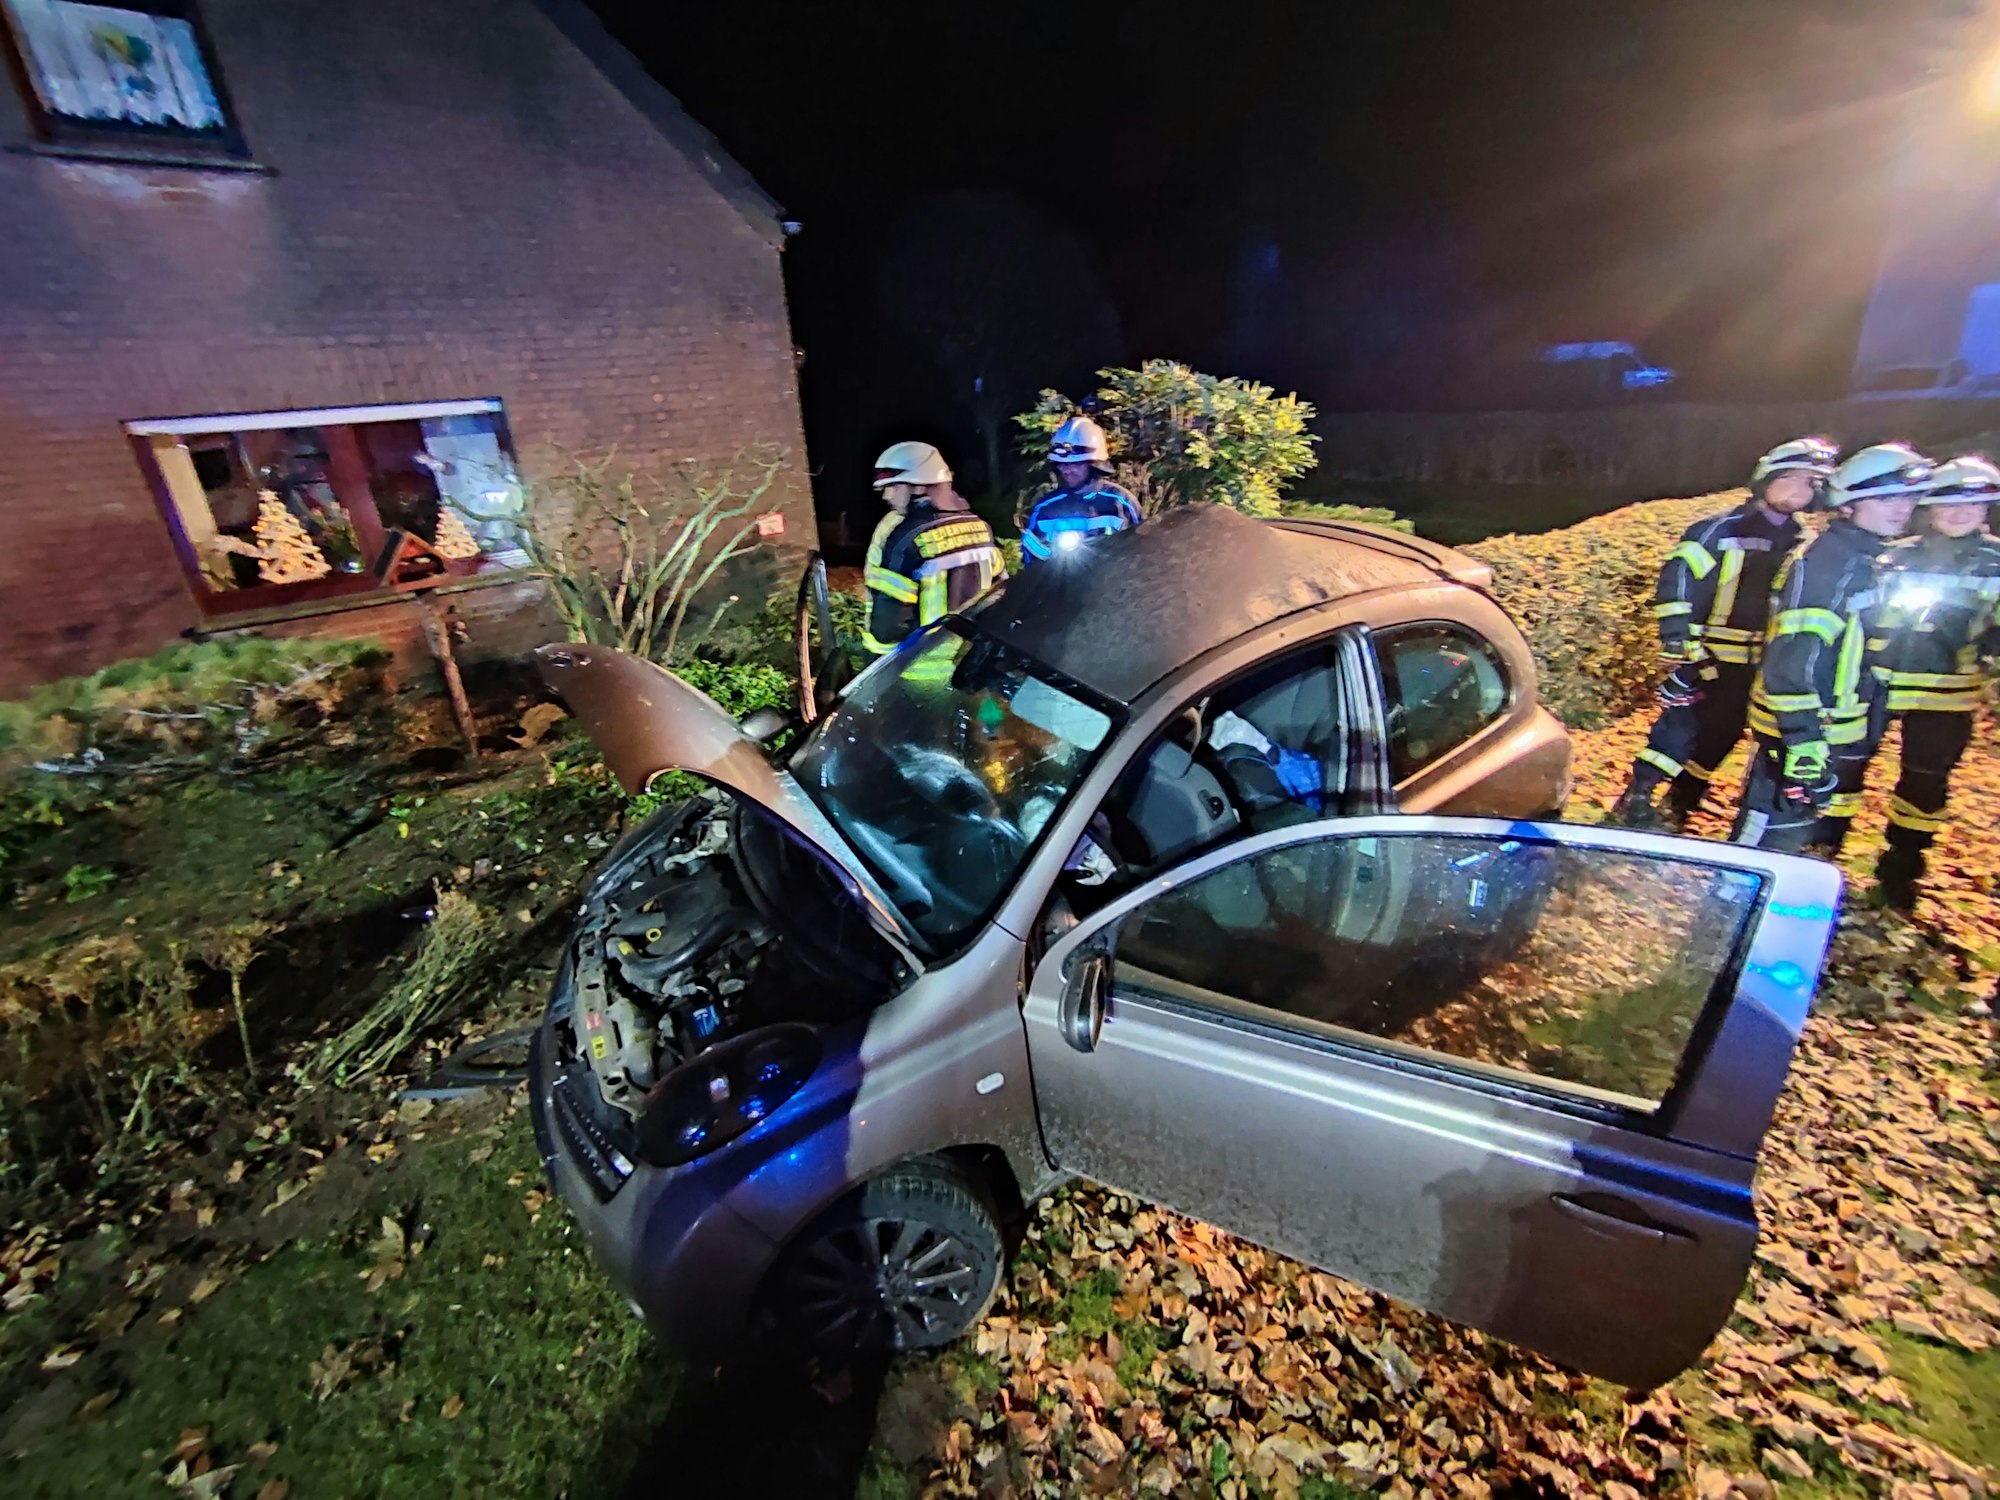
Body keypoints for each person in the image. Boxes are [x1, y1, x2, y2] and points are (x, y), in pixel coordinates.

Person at [1612, 436, 1834, 829]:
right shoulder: (1717, 529)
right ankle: (1637, 798)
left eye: (1810, 483)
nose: (1800, 490)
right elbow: (1677, 581)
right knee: (1679, 729)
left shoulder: (1805, 543)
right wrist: (1679, 639)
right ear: (1766, 479)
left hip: (1764, 664)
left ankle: (1682, 802)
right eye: (1792, 479)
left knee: (1724, 735)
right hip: (1710, 654)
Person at [1731, 442, 1931, 852]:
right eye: (1885, 498)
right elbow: (1791, 660)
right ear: (1849, 503)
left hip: (1839, 725)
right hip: (1801, 728)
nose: (1901, 508)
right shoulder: (1826, 562)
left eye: (1907, 498)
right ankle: (1726, 907)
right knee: (1766, 838)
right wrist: (1803, 738)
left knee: (1800, 830)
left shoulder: (1870, 560)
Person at [1868, 454, 2000, 907]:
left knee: (1925, 783)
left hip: (1948, 694)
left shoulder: (1997, 562)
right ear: (1929, 506)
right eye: (1949, 503)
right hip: (1878, 685)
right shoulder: (1893, 555)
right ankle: (1822, 845)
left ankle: (1902, 867)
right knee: (1843, 772)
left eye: (1973, 504)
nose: (1960, 512)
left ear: (1987, 509)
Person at [861, 441, 1005, 658]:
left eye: (893, 487)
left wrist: (873, 666)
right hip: (969, 663)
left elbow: (888, 626)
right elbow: (999, 592)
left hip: (920, 672)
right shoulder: (981, 527)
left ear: (919, 486)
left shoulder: (905, 538)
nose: (886, 496)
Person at [1020, 415, 1142, 564]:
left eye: (1075, 464)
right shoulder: (1045, 508)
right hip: (1060, 586)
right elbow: (1031, 559)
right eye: (1062, 464)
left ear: (1093, 464)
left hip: (1113, 584)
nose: (1067, 470)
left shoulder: (1121, 503)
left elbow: (1142, 553)